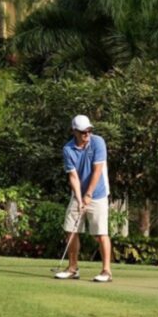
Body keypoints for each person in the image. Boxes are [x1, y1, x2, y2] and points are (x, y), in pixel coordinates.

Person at [54, 114, 112, 282]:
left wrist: (88, 195)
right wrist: (79, 199)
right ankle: (73, 268)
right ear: (74, 131)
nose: (87, 134)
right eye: (83, 132)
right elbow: (73, 177)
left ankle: (106, 271)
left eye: (89, 130)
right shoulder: (68, 149)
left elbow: (97, 171)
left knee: (101, 233)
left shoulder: (98, 142)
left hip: (98, 193)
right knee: (71, 230)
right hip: (78, 194)